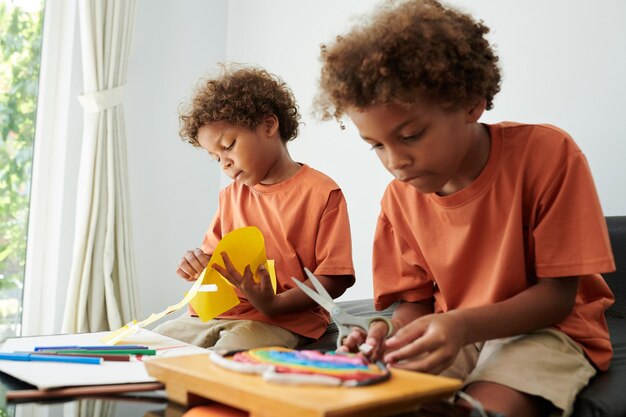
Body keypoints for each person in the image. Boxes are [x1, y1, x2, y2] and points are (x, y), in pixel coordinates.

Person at [314, 1, 615, 416]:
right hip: (456, 330)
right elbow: (416, 304)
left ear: (471, 102)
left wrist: (461, 325)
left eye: (412, 135)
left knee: (486, 406)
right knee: (378, 398)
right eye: (377, 146)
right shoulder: (398, 199)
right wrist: (386, 332)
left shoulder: (548, 154)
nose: (395, 162)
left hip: (551, 331)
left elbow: (558, 298)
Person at [154, 64, 355, 353]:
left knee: (229, 358)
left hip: (282, 320)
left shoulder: (322, 192)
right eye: (215, 157)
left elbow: (335, 277)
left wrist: (275, 304)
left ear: (269, 126)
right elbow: (215, 261)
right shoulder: (230, 196)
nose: (224, 163)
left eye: (229, 145)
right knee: (151, 346)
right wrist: (197, 262)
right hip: (216, 314)